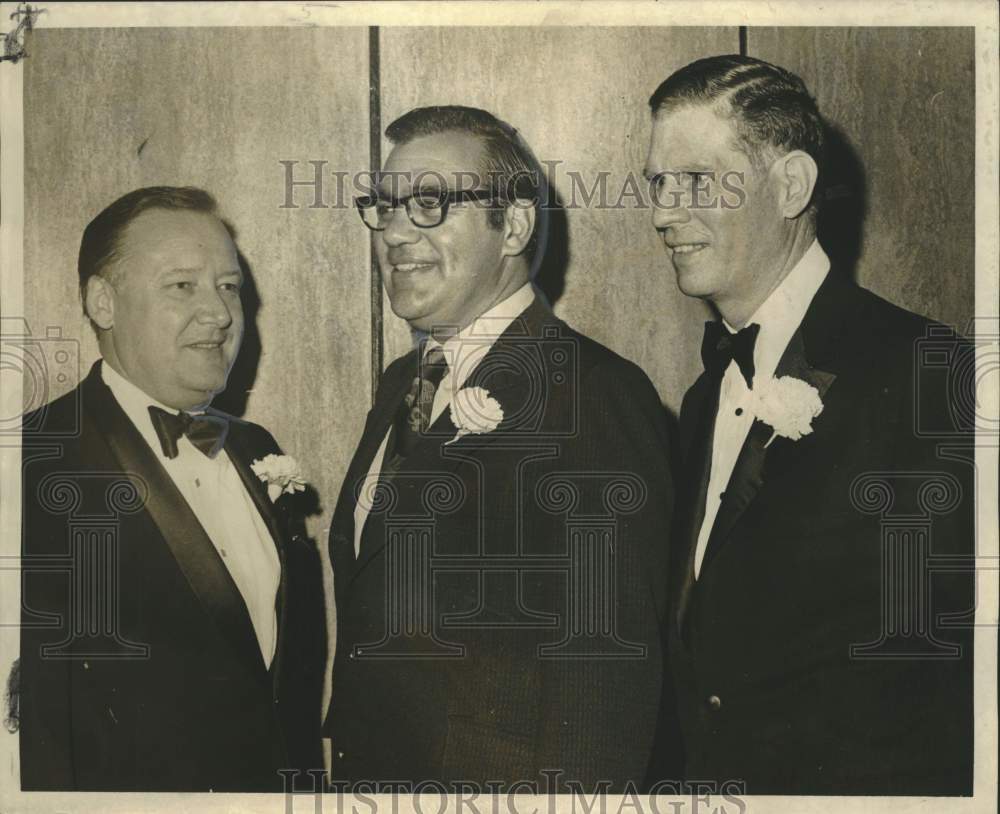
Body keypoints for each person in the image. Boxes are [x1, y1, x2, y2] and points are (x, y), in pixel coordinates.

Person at [644, 55, 974, 795]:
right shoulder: (704, 399)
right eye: (657, 184)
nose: (664, 212)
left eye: (696, 181)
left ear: (790, 186)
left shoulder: (930, 371)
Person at [324, 106, 674, 792]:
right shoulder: (403, 383)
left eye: (429, 203)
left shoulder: (593, 393)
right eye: (384, 206)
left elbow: (608, 679)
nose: (395, 231)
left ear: (513, 225)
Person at [19, 186, 325, 791]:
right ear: (103, 302)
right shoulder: (31, 460)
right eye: (183, 285)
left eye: (230, 286)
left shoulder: (255, 447)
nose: (219, 313)